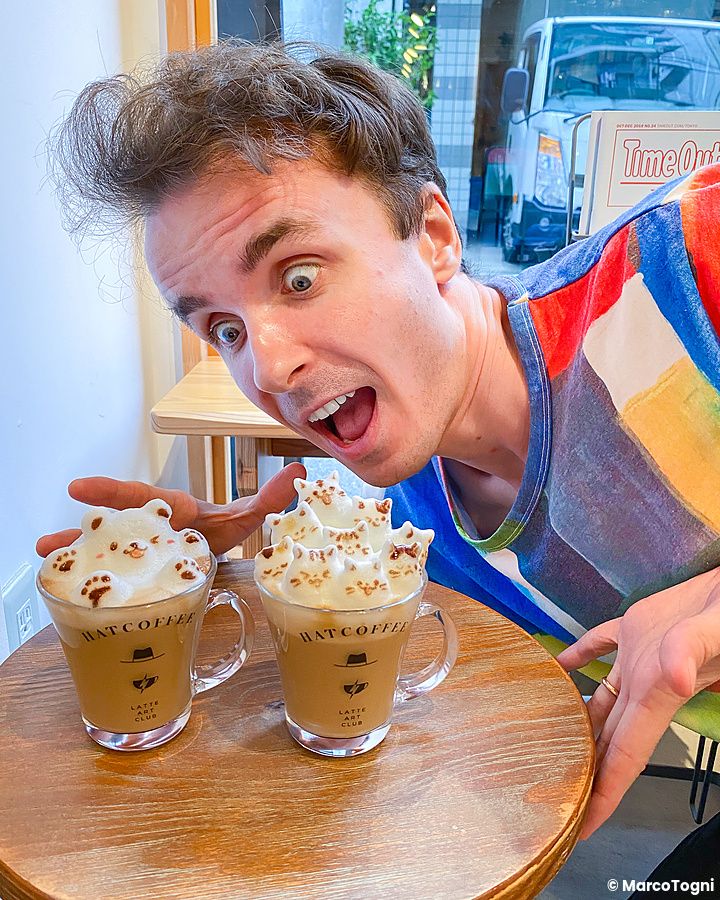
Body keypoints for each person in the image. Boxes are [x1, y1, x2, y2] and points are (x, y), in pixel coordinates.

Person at [39, 41, 720, 853]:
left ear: (433, 235)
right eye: (222, 328)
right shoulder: (421, 541)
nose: (269, 365)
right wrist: (217, 589)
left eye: (298, 277)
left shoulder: (688, 265)